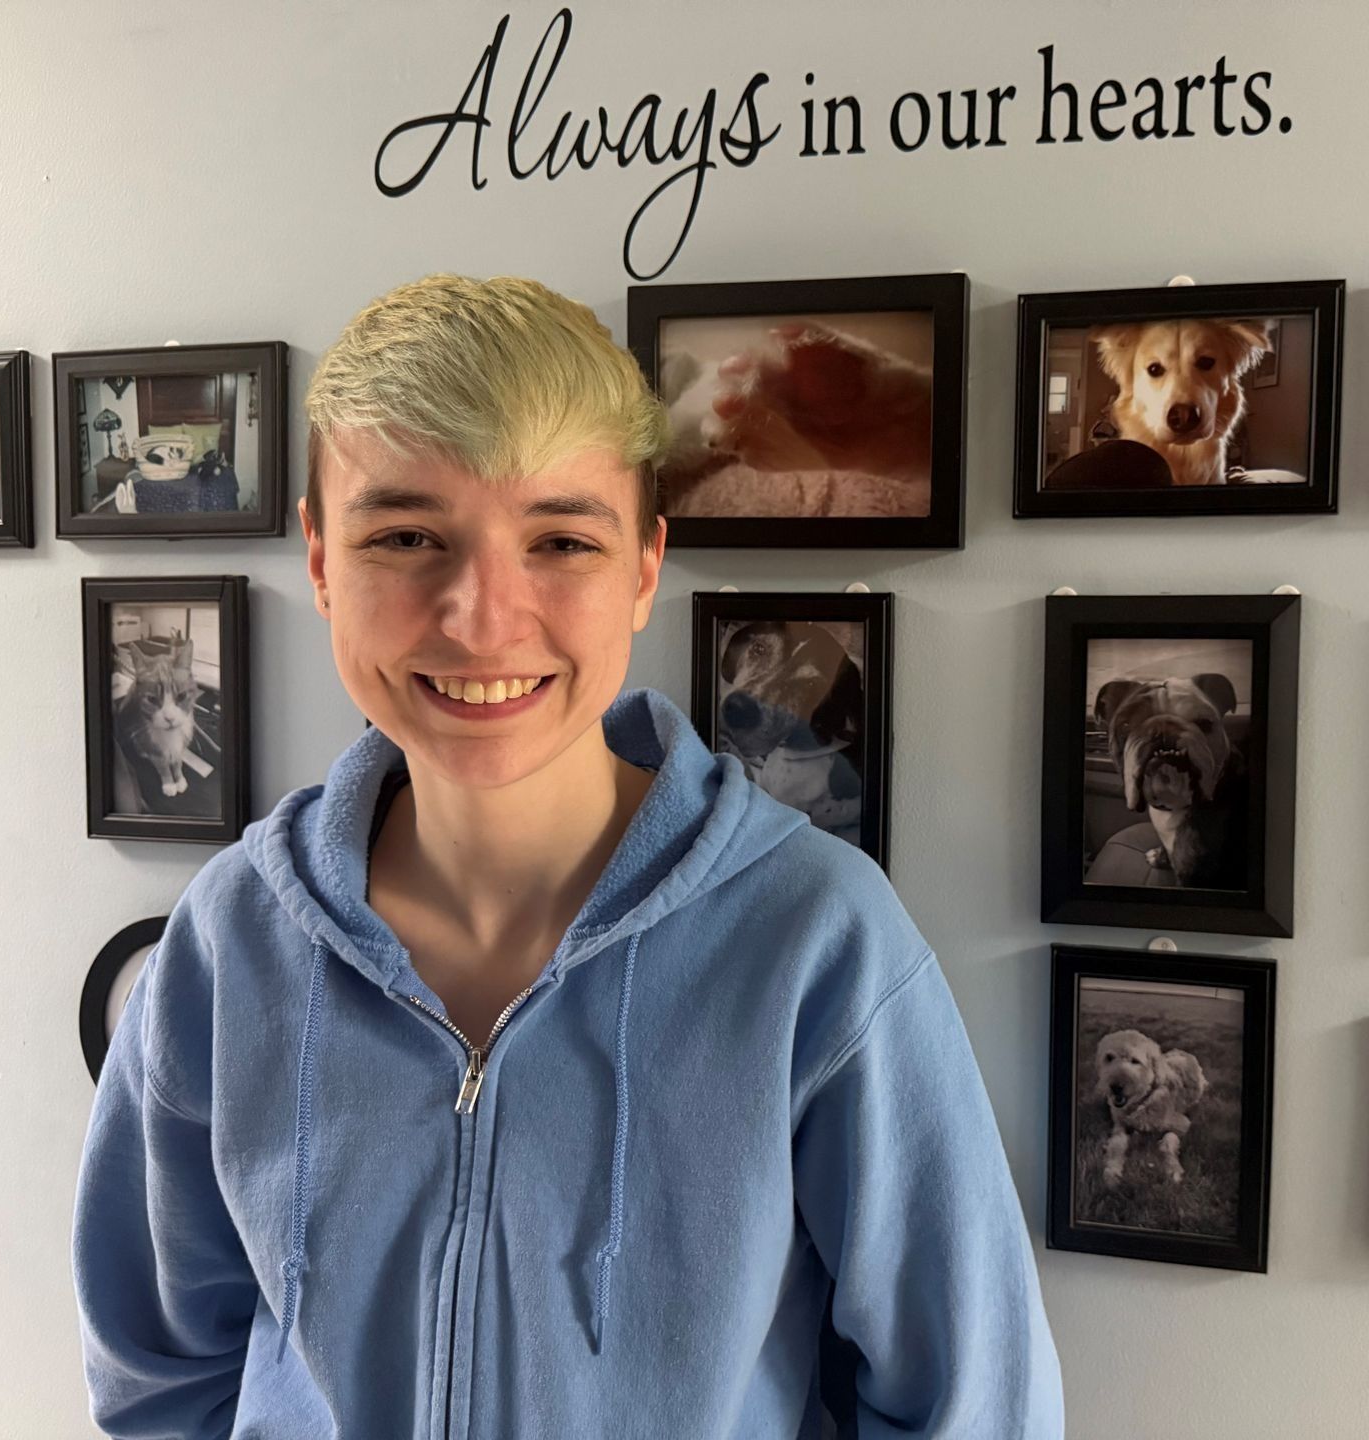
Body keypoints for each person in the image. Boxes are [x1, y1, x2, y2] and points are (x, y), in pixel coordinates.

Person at [71, 274, 1064, 1438]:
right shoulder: (229, 941)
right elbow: (158, 1381)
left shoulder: (816, 941)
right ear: (323, 560)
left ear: (643, 568)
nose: (483, 617)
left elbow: (975, 1410)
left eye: (561, 540)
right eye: (406, 536)